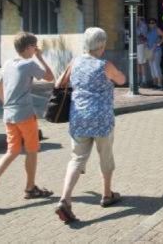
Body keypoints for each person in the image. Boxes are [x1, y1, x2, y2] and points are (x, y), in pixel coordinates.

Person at [55, 27, 126, 224]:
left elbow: (60, 83)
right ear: (101, 45)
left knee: (77, 158)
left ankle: (65, 199)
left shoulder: (75, 61)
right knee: (106, 156)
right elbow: (121, 80)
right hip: (101, 119)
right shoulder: (104, 64)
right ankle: (106, 194)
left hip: (78, 117)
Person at [0, 31, 55, 210]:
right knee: (32, 150)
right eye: (34, 46)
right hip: (25, 115)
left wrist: (8, 105)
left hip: (8, 115)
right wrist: (40, 58)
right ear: (29, 48)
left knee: (12, 151)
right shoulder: (28, 64)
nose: (35, 49)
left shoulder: (8, 64)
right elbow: (50, 77)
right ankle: (30, 188)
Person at [145, 18, 163, 89]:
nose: (151, 24)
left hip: (156, 50)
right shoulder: (148, 31)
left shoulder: (157, 29)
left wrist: (159, 43)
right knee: (151, 67)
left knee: (156, 67)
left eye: (153, 22)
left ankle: (160, 84)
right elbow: (147, 40)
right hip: (149, 50)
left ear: (155, 23)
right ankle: (155, 83)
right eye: (150, 23)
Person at [135, 15, 149, 87]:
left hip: (141, 45)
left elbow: (143, 36)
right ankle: (137, 80)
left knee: (142, 63)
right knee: (137, 63)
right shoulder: (135, 25)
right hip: (135, 45)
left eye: (136, 18)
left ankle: (144, 80)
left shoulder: (143, 25)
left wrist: (137, 32)